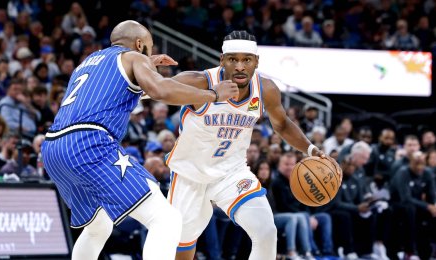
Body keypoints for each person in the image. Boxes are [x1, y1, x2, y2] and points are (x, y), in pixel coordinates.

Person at [41, 20, 239, 260]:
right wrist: (214, 95)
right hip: (88, 142)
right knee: (166, 218)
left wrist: (146, 65)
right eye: (150, 48)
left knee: (97, 227)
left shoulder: (88, 63)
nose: (151, 54)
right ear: (139, 44)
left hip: (53, 147)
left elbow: (130, 89)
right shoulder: (134, 58)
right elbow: (160, 91)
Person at [166, 30, 340, 260]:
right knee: (182, 244)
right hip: (190, 172)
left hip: (231, 172)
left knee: (266, 231)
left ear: (256, 62)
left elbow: (283, 123)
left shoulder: (265, 89)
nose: (240, 66)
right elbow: (159, 90)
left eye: (246, 59)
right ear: (222, 60)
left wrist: (310, 149)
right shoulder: (200, 81)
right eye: (233, 59)